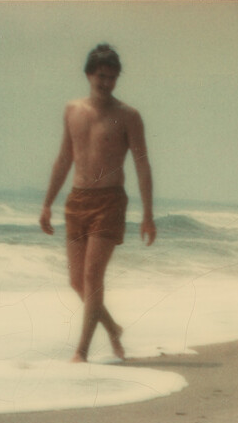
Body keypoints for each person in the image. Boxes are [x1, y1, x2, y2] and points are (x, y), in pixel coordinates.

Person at [40, 44, 157, 361]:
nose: (106, 83)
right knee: (77, 281)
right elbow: (64, 158)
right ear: (89, 75)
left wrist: (148, 215)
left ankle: (81, 351)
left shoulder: (128, 117)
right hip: (76, 201)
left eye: (112, 78)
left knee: (93, 278)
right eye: (101, 77)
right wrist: (48, 203)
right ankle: (113, 328)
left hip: (109, 201)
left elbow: (142, 166)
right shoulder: (72, 110)